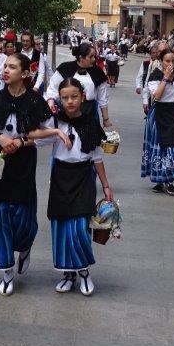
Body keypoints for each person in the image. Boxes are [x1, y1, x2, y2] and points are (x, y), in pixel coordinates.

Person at [0, 53, 58, 296]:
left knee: (25, 222)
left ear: (25, 73)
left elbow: (49, 135)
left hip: (24, 165)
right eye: (5, 66)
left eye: (12, 67)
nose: (6, 70)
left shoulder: (36, 101)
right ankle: (6, 271)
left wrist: (22, 142)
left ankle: (25, 247)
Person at [46, 77, 113, 296]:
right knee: (61, 227)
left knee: (79, 228)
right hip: (60, 177)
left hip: (83, 177)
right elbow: (33, 136)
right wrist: (55, 131)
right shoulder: (54, 122)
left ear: (83, 97)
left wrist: (105, 186)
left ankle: (83, 271)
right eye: (65, 97)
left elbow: (97, 157)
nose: (70, 101)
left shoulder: (90, 123)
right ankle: (68, 274)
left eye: (74, 96)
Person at [143, 49, 174, 196]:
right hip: (159, 112)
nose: (170, 64)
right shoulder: (155, 75)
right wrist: (165, 78)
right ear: (161, 61)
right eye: (167, 61)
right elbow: (156, 96)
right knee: (159, 148)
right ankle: (161, 180)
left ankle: (169, 179)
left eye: (172, 61)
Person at [48, 42, 111, 127]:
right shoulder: (65, 68)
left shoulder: (98, 72)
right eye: (91, 57)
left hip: (89, 113)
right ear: (81, 57)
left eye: (94, 56)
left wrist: (106, 119)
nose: (94, 59)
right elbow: (53, 88)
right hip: (66, 112)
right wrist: (51, 101)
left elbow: (102, 97)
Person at [18, 31, 49, 95]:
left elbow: (41, 72)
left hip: (34, 86)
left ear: (31, 41)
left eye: (27, 41)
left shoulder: (38, 54)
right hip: (19, 87)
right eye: (23, 41)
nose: (25, 43)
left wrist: (36, 87)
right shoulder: (17, 53)